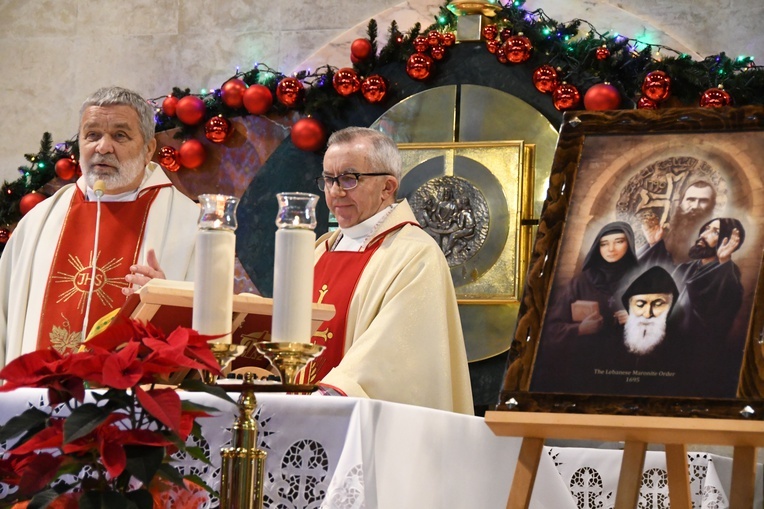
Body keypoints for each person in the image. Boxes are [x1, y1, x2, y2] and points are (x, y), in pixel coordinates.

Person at [0, 86, 199, 367]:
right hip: (36, 403)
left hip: (135, 406)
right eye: (92, 135)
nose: (103, 147)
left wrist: (165, 304)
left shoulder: (191, 225)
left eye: (120, 135)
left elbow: (211, 325)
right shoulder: (37, 223)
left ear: (149, 149)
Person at [303, 126, 474, 415]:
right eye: (329, 179)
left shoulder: (414, 255)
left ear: (387, 187)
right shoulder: (318, 253)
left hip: (353, 420)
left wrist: (326, 394)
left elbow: (394, 356)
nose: (335, 191)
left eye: (349, 178)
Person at [532, 221, 640, 394]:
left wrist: (638, 320)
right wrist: (580, 329)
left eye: (619, 241)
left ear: (630, 244)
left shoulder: (643, 280)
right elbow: (551, 329)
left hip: (628, 374)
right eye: (604, 244)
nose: (611, 249)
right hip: (585, 373)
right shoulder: (580, 283)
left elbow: (669, 327)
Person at [671, 217, 745, 394]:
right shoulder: (683, 268)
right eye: (705, 229)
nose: (703, 235)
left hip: (699, 359)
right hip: (670, 350)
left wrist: (724, 262)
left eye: (715, 232)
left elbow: (724, 305)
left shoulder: (729, 273)